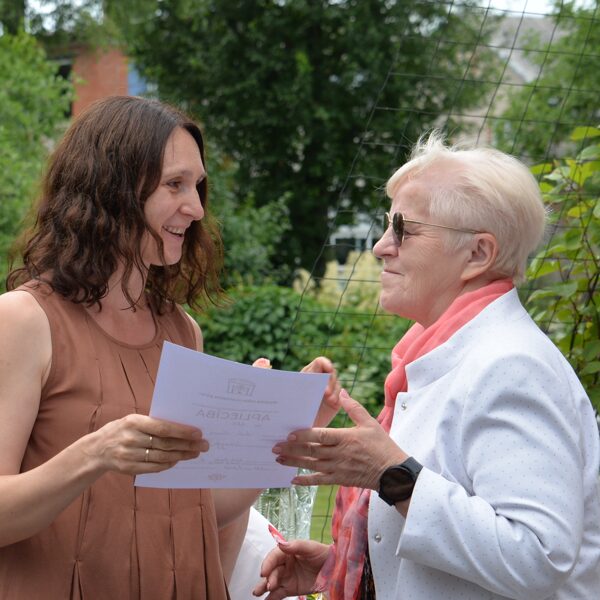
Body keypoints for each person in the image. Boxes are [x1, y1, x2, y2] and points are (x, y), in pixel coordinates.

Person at [0, 95, 340, 599]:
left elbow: (196, 508)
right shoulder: (23, 320)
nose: (196, 208)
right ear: (110, 189)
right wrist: (95, 453)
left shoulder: (183, 331)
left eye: (197, 186)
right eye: (174, 184)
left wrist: (285, 431)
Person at [254, 132, 600, 600]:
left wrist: (391, 475)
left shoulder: (512, 366)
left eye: (404, 229)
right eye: (387, 226)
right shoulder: (441, 358)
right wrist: (351, 567)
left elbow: (538, 556)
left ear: (478, 254)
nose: (380, 247)